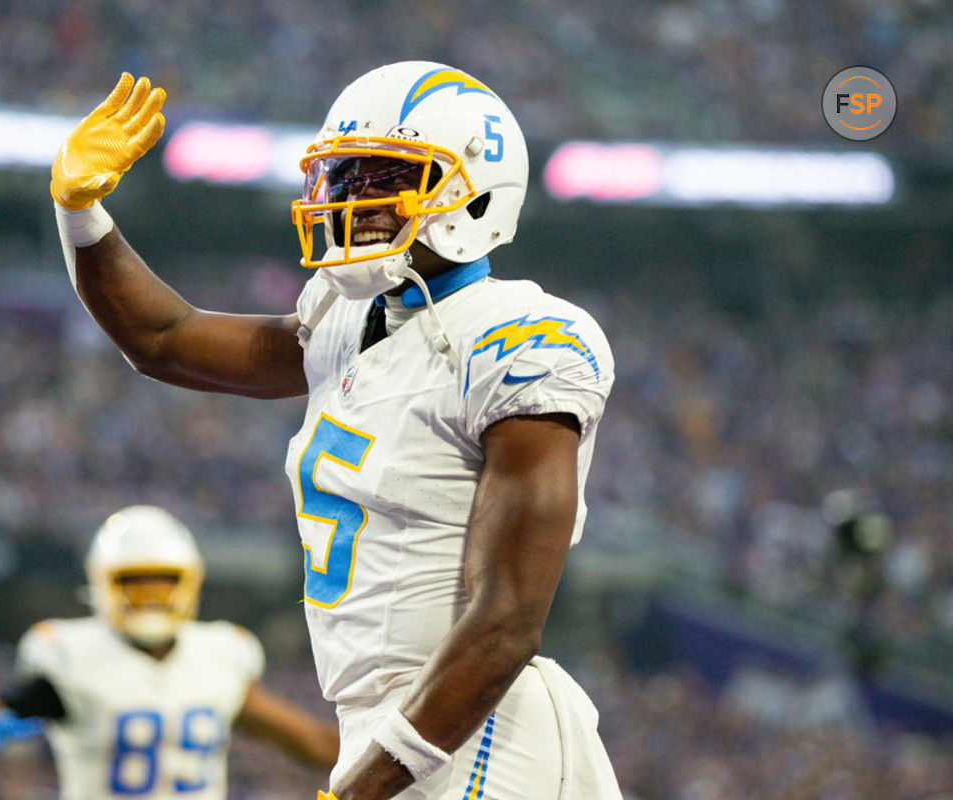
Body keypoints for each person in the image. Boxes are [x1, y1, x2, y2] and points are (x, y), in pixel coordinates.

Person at [48, 61, 622, 800]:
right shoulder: (349, 322)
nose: (354, 198)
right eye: (344, 177)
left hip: (477, 730)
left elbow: (505, 625)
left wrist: (362, 788)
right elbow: (163, 340)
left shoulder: (522, 338)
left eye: (384, 177)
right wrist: (81, 211)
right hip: (402, 730)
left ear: (474, 190)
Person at [0, 504, 340, 798]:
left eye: (162, 582)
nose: (150, 597)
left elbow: (312, 743)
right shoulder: (71, 659)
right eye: (136, 583)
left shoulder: (218, 657)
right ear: (103, 583)